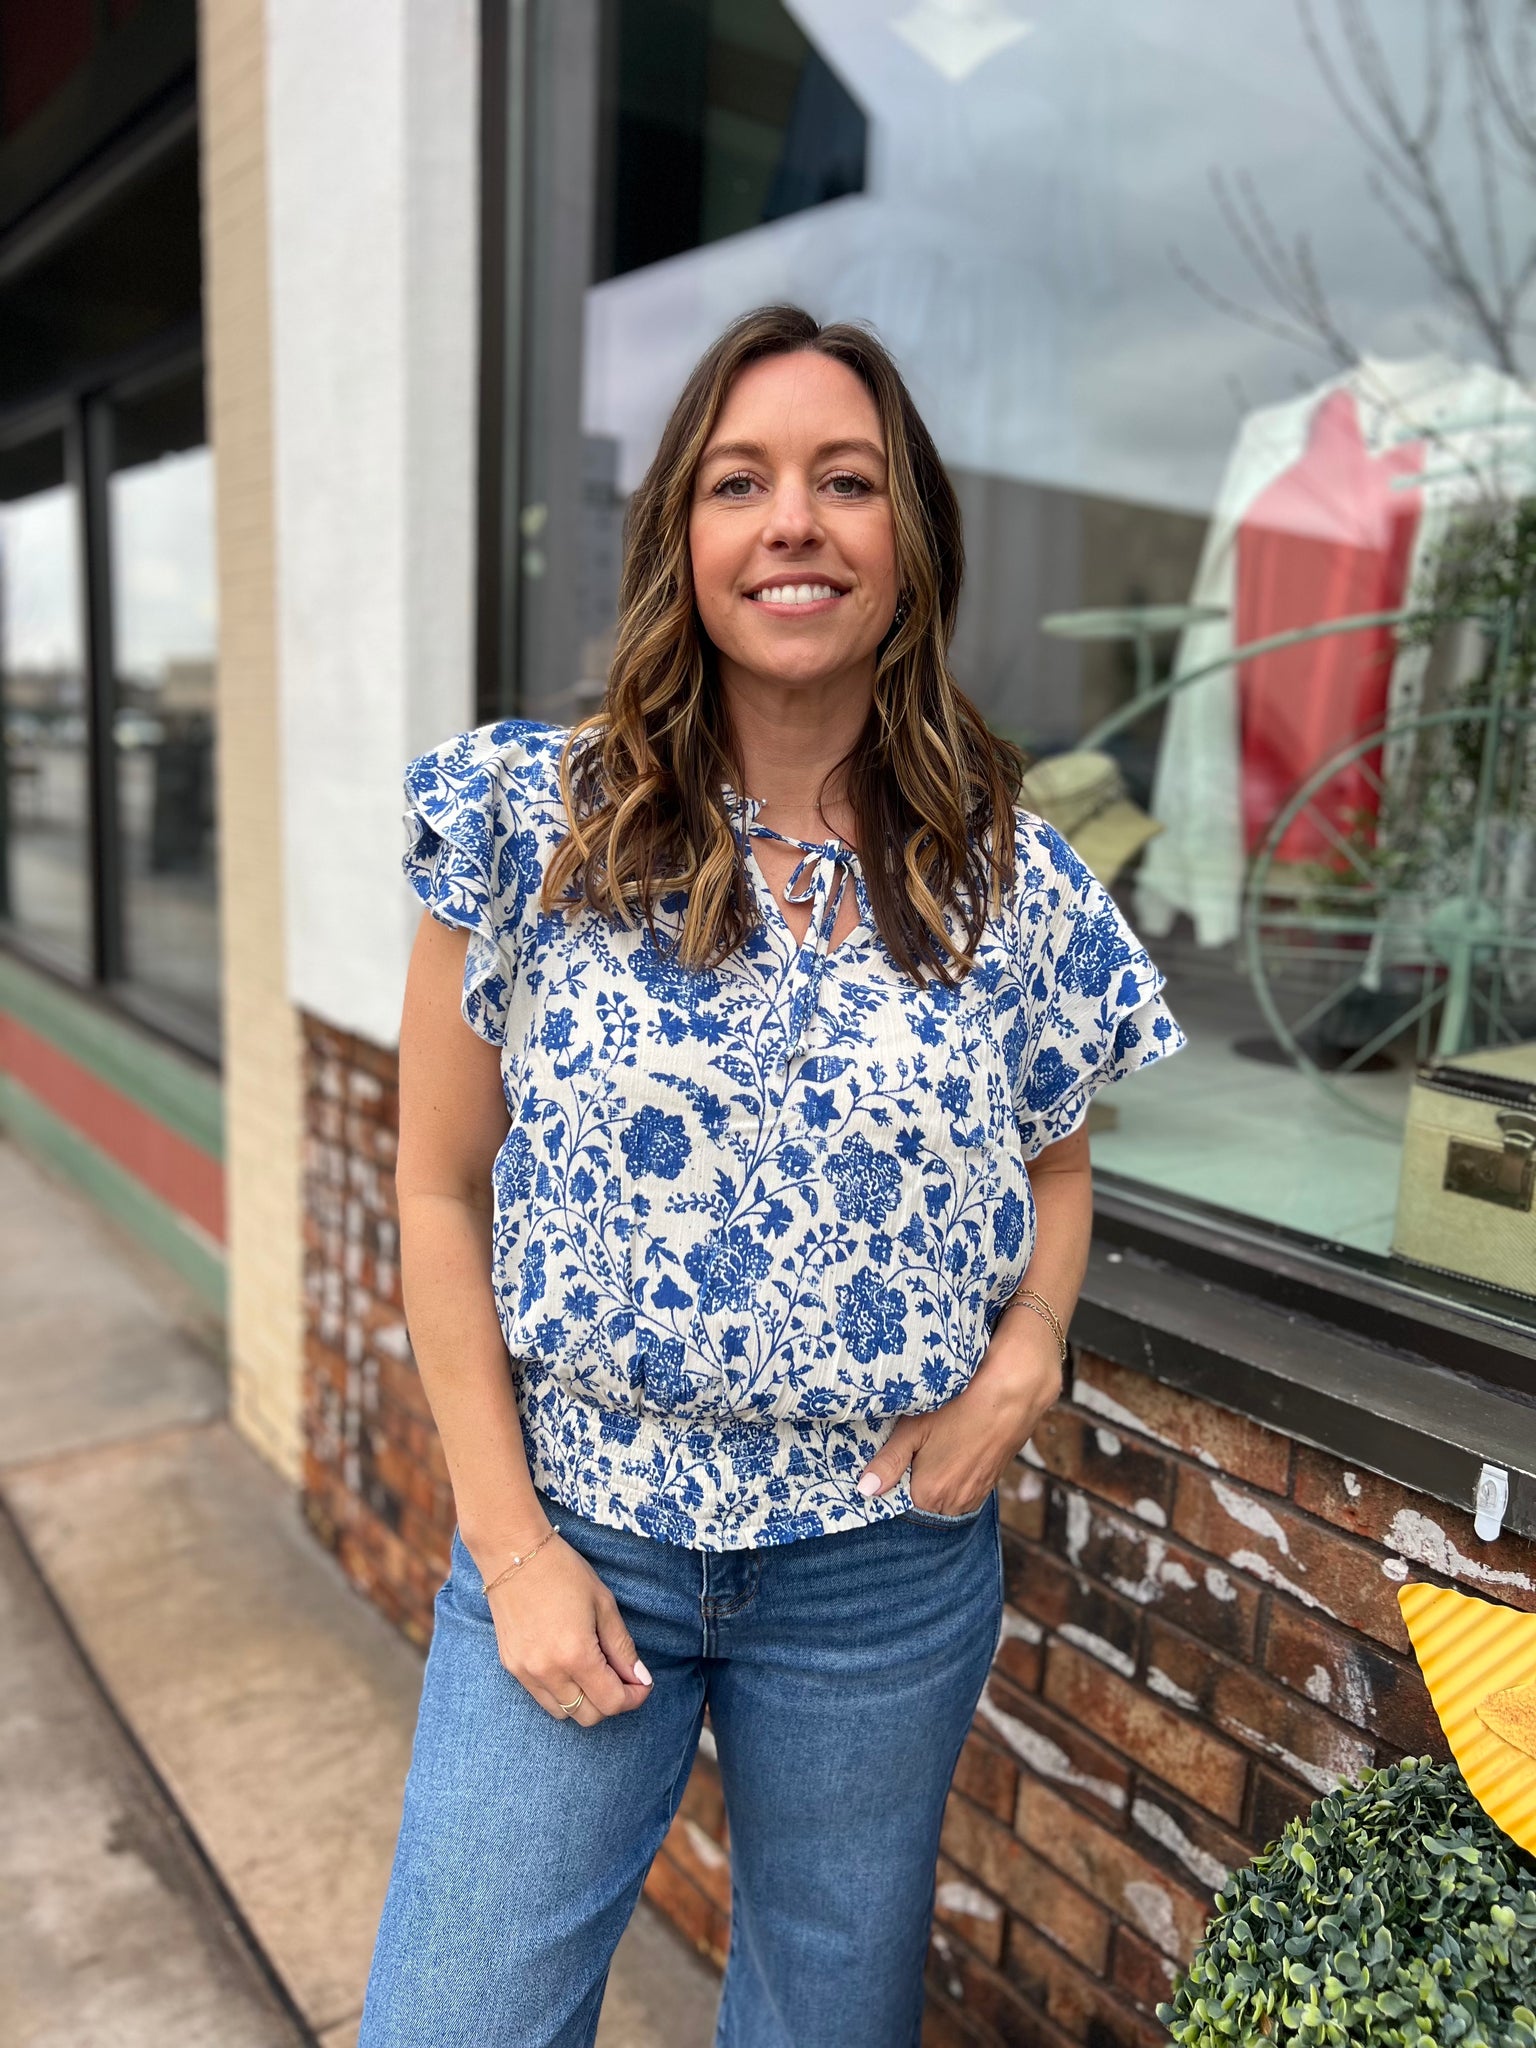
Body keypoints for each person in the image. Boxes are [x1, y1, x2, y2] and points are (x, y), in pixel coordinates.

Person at [359, 303, 1186, 2048]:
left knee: (826, 2017)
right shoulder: (537, 821)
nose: (793, 521)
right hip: (582, 1527)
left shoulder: (1009, 880)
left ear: (912, 540)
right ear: (682, 535)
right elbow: (437, 1191)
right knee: (456, 2017)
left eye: (846, 481)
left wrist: (1029, 1355)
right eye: (740, 482)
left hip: (884, 1567)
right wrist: (509, 1547)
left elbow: (1056, 1162)